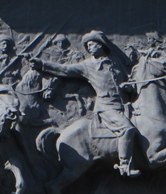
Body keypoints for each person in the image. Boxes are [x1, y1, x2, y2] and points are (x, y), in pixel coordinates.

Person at [30, 30, 141, 177]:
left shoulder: (115, 62)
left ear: (100, 44)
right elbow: (65, 70)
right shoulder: (88, 66)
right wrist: (42, 64)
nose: (89, 48)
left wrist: (128, 86)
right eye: (87, 46)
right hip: (107, 107)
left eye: (92, 44)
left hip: (126, 105)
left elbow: (128, 80)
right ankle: (125, 165)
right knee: (127, 129)